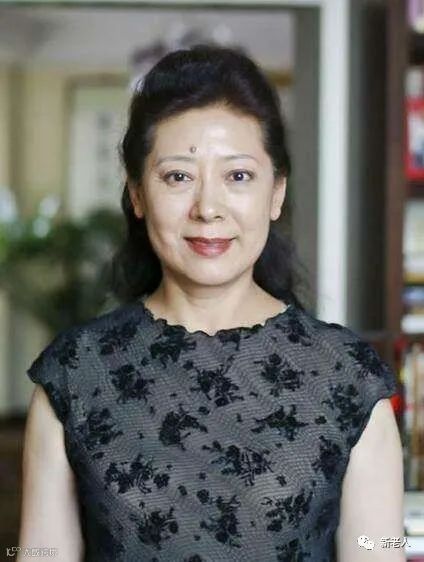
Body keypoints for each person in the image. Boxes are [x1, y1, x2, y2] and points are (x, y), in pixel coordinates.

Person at [18, 44, 404, 562]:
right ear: (137, 194)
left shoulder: (349, 379)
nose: (208, 208)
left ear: (276, 193)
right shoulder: (73, 375)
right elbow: (40, 554)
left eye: (237, 176)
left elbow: (380, 548)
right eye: (178, 176)